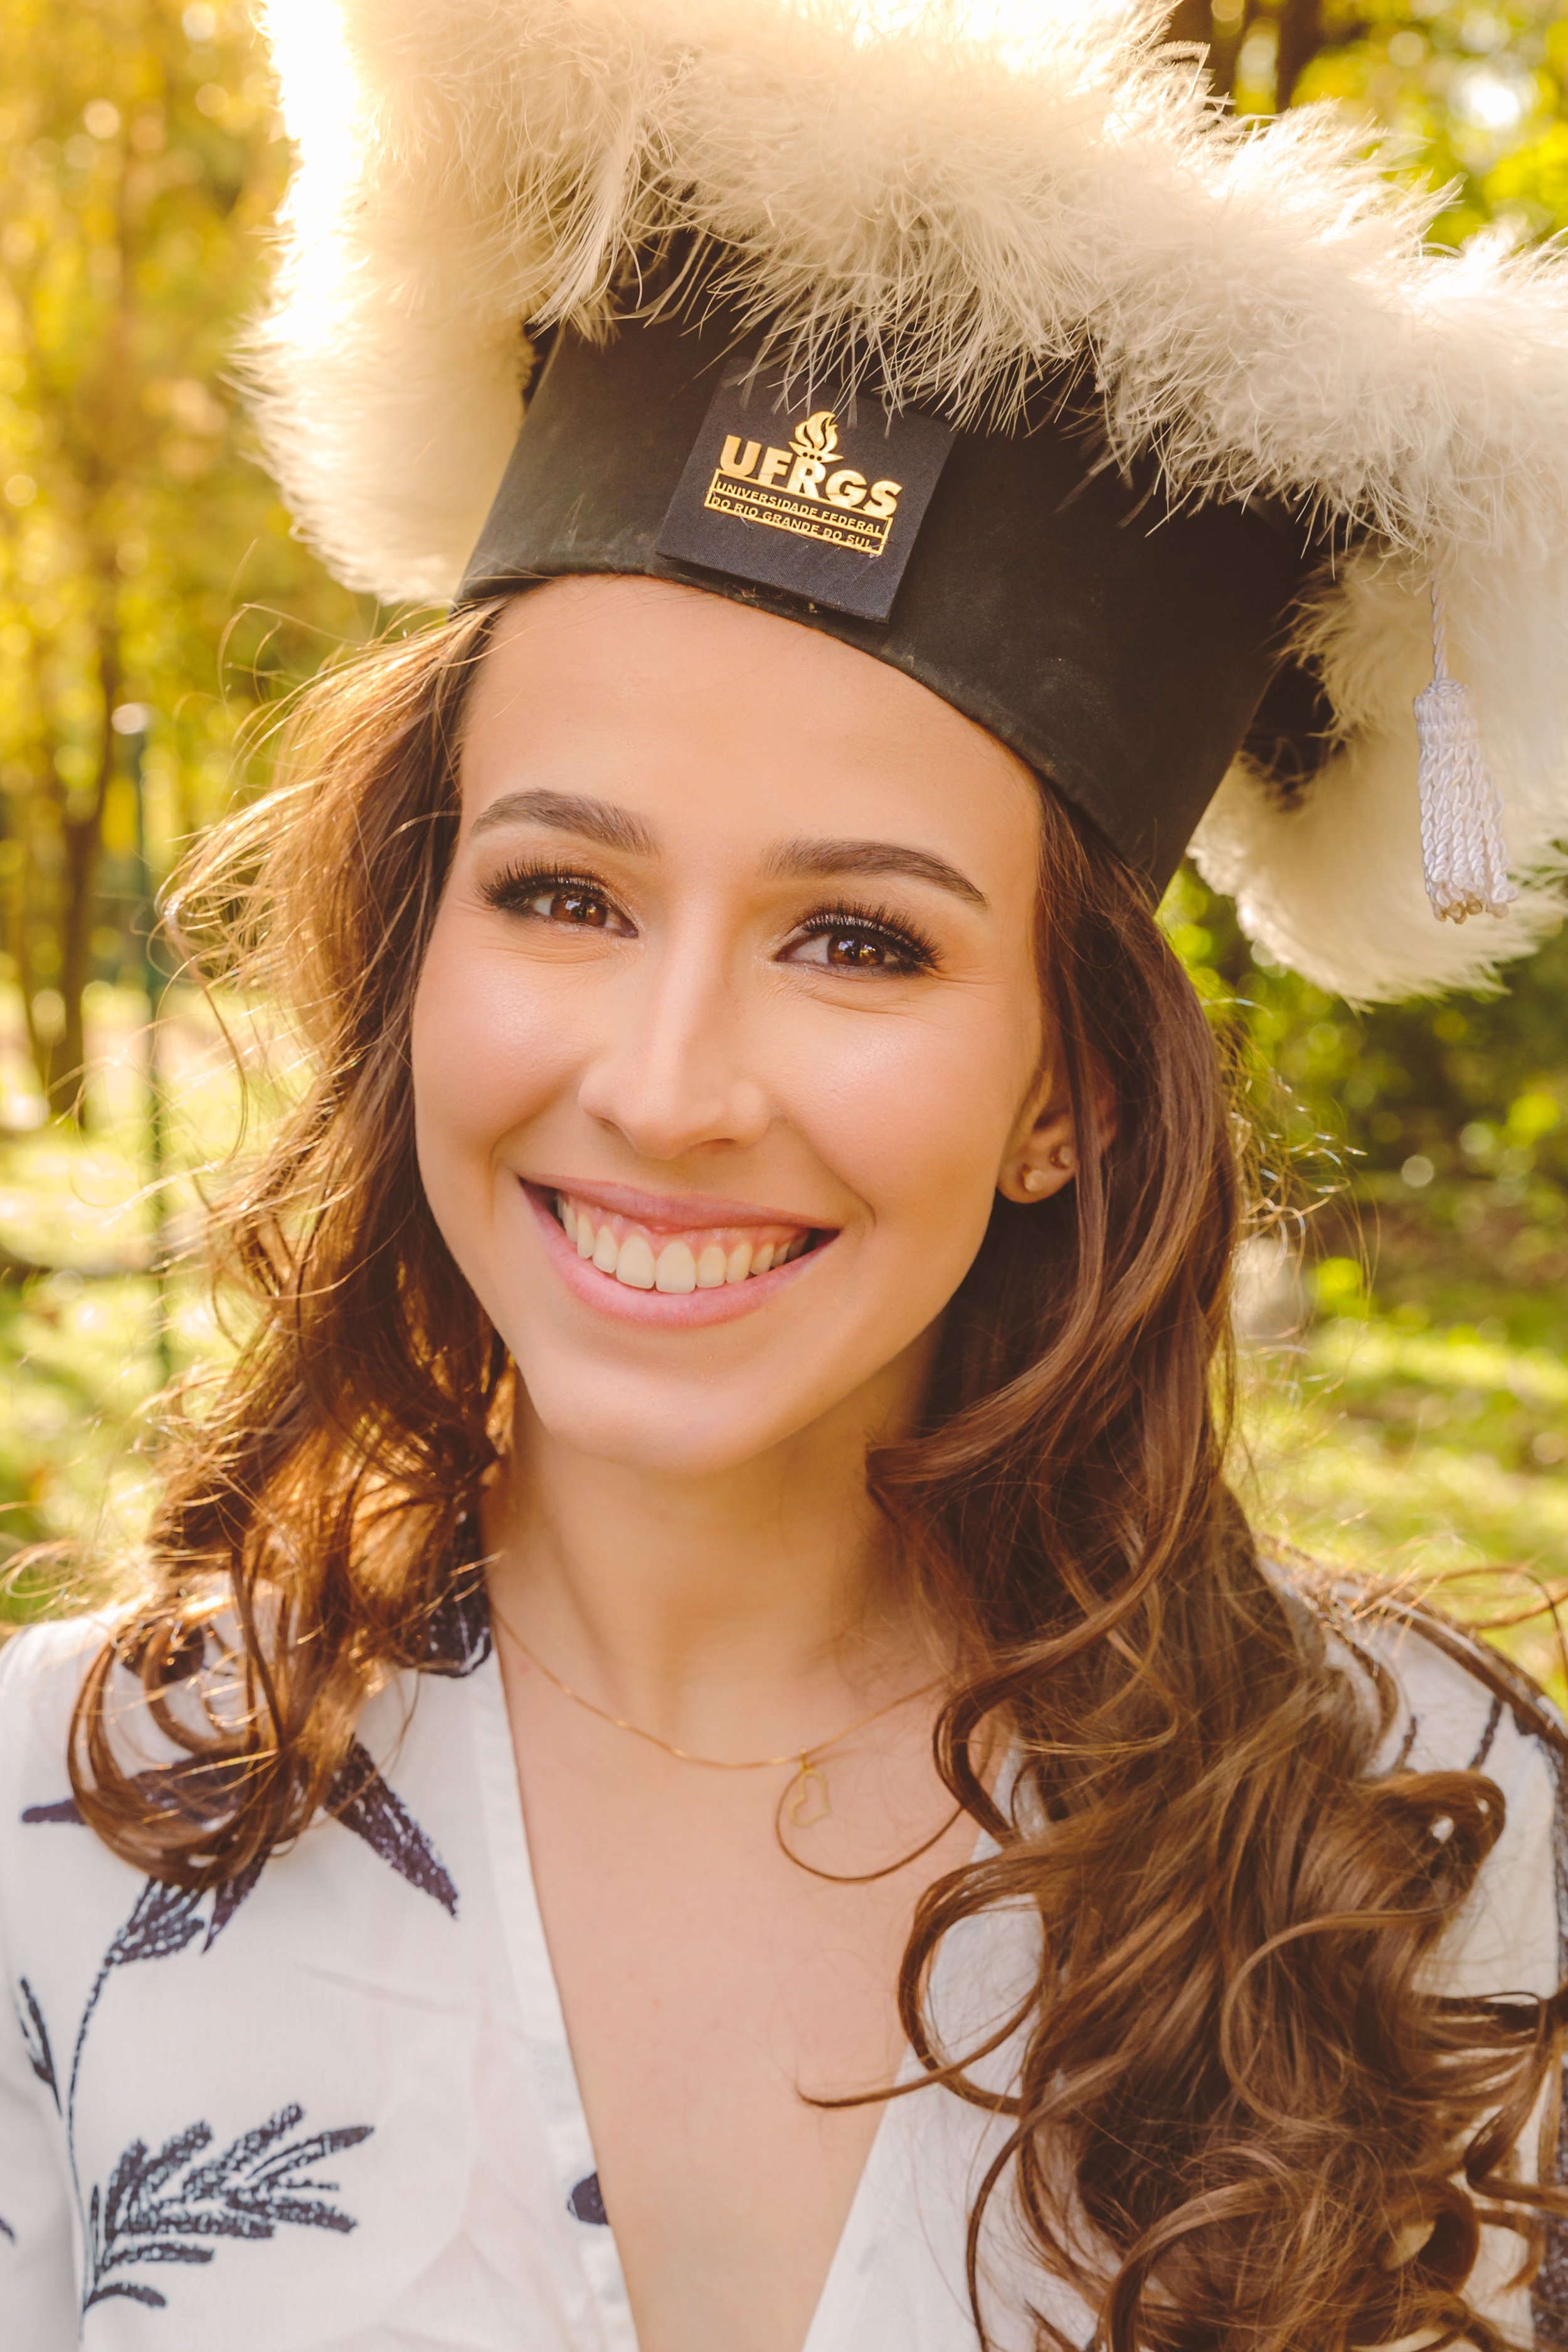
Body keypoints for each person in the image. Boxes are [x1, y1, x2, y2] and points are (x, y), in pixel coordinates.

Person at [4, 3, 1568, 2348]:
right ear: (416, 942)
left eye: (858, 939)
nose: (665, 1080)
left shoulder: (1449, 1854)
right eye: (562, 894)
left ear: (1073, 1090)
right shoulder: (49, 1826)